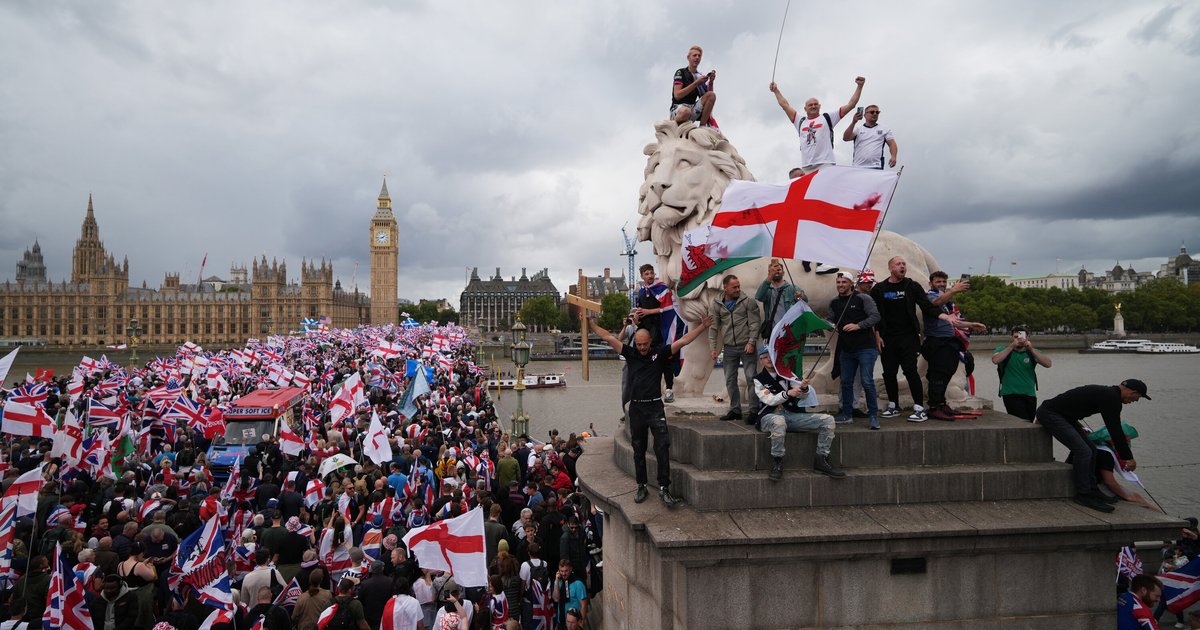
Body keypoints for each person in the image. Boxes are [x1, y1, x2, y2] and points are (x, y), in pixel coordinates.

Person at [587, 311, 714, 507]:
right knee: (638, 449)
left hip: (655, 407)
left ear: (650, 342)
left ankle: (664, 488)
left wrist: (703, 327)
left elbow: (683, 341)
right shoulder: (630, 353)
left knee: (662, 447)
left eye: (645, 344)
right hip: (637, 407)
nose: (642, 348)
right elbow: (609, 338)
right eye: (639, 345)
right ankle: (641, 485)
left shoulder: (659, 353)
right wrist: (590, 324)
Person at [1035, 379, 1151, 513]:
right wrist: (1128, 457)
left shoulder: (1109, 394)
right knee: (1083, 451)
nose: (1135, 400)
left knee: (1091, 450)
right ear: (1132, 392)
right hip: (1051, 414)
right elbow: (1114, 429)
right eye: (1138, 397)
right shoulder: (1111, 397)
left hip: (1064, 417)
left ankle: (1092, 490)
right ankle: (1083, 495)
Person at [871, 256, 962, 422]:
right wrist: (877, 336)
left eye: (904, 264)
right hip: (887, 338)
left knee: (911, 372)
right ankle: (893, 406)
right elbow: (876, 315)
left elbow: (927, 307)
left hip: (908, 337)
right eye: (898, 264)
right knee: (889, 373)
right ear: (890, 268)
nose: (902, 266)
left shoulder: (912, 286)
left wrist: (944, 316)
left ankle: (919, 408)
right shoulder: (879, 289)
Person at [753, 345, 845, 480]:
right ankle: (777, 461)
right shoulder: (758, 379)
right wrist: (787, 393)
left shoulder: (787, 374)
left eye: (771, 356)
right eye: (765, 357)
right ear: (760, 361)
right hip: (769, 417)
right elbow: (769, 399)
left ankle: (821, 459)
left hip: (791, 415)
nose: (769, 359)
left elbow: (802, 395)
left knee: (828, 420)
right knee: (779, 421)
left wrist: (804, 388)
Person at [922, 271, 987, 421]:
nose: (942, 284)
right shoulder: (930, 296)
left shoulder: (946, 302)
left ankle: (941, 404)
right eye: (938, 282)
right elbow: (935, 303)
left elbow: (954, 321)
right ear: (931, 284)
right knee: (938, 374)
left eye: (944, 282)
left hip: (947, 341)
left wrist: (972, 324)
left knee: (947, 372)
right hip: (937, 341)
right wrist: (954, 290)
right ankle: (934, 407)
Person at [769, 77, 865, 173]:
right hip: (806, 166)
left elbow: (851, 105)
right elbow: (785, 105)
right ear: (805, 109)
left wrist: (859, 86)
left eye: (815, 104)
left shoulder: (828, 118)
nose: (813, 106)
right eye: (810, 105)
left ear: (819, 106)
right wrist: (776, 91)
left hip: (825, 164)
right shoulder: (800, 121)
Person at [827, 272, 881, 429]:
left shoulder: (863, 298)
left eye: (844, 282)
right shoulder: (834, 302)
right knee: (845, 382)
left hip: (865, 347)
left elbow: (875, 316)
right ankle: (846, 414)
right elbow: (831, 320)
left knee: (867, 381)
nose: (840, 285)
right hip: (846, 349)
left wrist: (858, 325)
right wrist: (829, 325)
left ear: (851, 284)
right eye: (838, 282)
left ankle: (873, 416)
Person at [709, 274, 762, 423]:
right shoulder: (717, 304)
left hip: (746, 346)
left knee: (751, 378)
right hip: (729, 347)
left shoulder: (748, 302)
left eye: (739, 286)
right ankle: (735, 410)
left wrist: (751, 342)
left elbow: (755, 323)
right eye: (734, 287)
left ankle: (754, 411)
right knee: (730, 380)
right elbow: (713, 327)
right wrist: (713, 348)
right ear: (725, 288)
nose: (738, 289)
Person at [633, 264, 685, 403]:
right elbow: (640, 311)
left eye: (651, 273)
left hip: (661, 328)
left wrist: (648, 312)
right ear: (642, 276)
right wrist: (636, 319)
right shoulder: (642, 291)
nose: (650, 276)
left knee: (665, 358)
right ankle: (647, 388)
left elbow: (668, 308)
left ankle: (669, 389)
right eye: (646, 274)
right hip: (646, 328)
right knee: (643, 358)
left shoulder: (662, 288)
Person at [991, 325, 1052, 421]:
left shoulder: (1032, 352)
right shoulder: (1003, 350)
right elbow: (995, 360)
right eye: (1016, 337)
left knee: (1029, 422)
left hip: (1030, 394)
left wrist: (1031, 349)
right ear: (1012, 338)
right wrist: (1012, 346)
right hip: (1010, 393)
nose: (1019, 339)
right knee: (1022, 421)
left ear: (1027, 338)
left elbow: (1048, 364)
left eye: (1021, 336)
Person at [755, 259, 806, 338]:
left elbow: (805, 301)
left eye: (778, 269)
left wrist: (801, 296)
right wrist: (769, 277)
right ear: (769, 273)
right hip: (773, 333)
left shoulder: (792, 288)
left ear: (783, 272)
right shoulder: (767, 290)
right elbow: (759, 296)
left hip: (789, 331)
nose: (776, 272)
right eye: (773, 270)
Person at [670, 45, 717, 127]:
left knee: (711, 95)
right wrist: (696, 83)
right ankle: (674, 125)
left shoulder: (699, 76)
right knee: (686, 111)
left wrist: (711, 82)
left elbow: (708, 98)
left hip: (692, 109)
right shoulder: (680, 72)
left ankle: (702, 127)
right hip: (679, 109)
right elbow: (677, 96)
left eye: (699, 56)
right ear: (688, 57)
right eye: (694, 55)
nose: (697, 57)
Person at [842, 104, 898, 169]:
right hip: (858, 166)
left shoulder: (884, 129)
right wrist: (853, 122)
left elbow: (892, 144)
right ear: (865, 115)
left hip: (876, 166)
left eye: (877, 112)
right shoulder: (858, 129)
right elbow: (845, 138)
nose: (875, 114)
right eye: (872, 112)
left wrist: (893, 156)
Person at [553, 560, 588, 630]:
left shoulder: (578, 583)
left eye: (566, 571)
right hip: (561, 622)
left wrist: (581, 624)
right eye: (561, 571)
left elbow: (584, 605)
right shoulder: (559, 581)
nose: (563, 573)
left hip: (573, 624)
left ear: (571, 569)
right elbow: (556, 599)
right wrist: (556, 581)